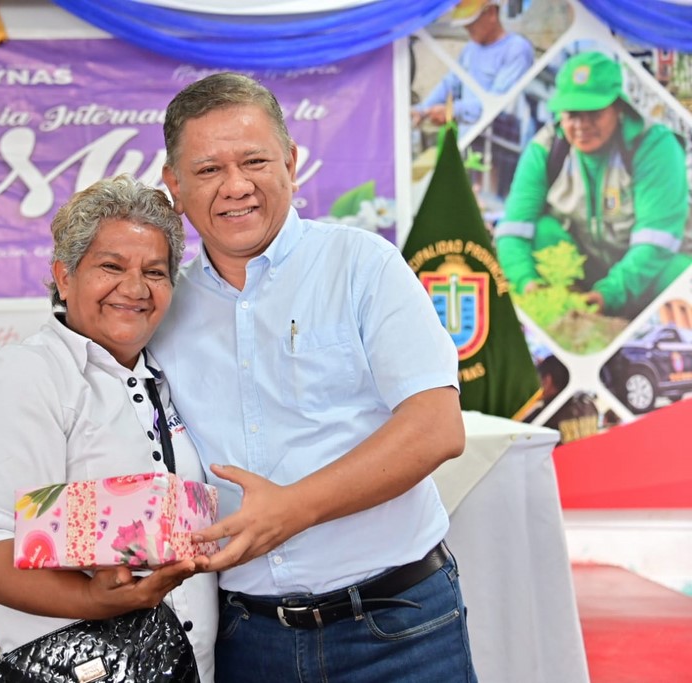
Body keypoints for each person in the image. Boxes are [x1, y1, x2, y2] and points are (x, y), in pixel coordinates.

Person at [151, 73, 476, 682]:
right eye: (208, 170)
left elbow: (436, 428)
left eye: (254, 161)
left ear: (291, 163)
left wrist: (292, 509)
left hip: (397, 626)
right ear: (175, 186)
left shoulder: (362, 265)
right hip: (247, 640)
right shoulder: (163, 309)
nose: (236, 186)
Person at [0, 175, 217, 683]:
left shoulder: (166, 377)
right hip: (73, 667)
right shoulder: (26, 376)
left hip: (185, 668)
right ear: (64, 277)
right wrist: (94, 599)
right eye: (111, 267)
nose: (135, 289)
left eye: (154, 272)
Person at [496, 51, 692, 319]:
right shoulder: (545, 148)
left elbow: (657, 240)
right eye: (572, 114)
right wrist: (527, 283)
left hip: (646, 276)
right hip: (586, 270)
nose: (581, 126)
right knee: (543, 231)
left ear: (618, 107)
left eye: (593, 113)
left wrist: (609, 294)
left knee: (680, 271)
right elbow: (512, 230)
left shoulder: (655, 146)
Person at [412, 1, 534, 129]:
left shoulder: (516, 49)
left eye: (471, 22)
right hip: (469, 137)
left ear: (491, 13)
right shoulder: (470, 49)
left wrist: (453, 111)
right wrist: (421, 110)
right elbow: (450, 83)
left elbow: (498, 103)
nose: (466, 27)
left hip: (500, 137)